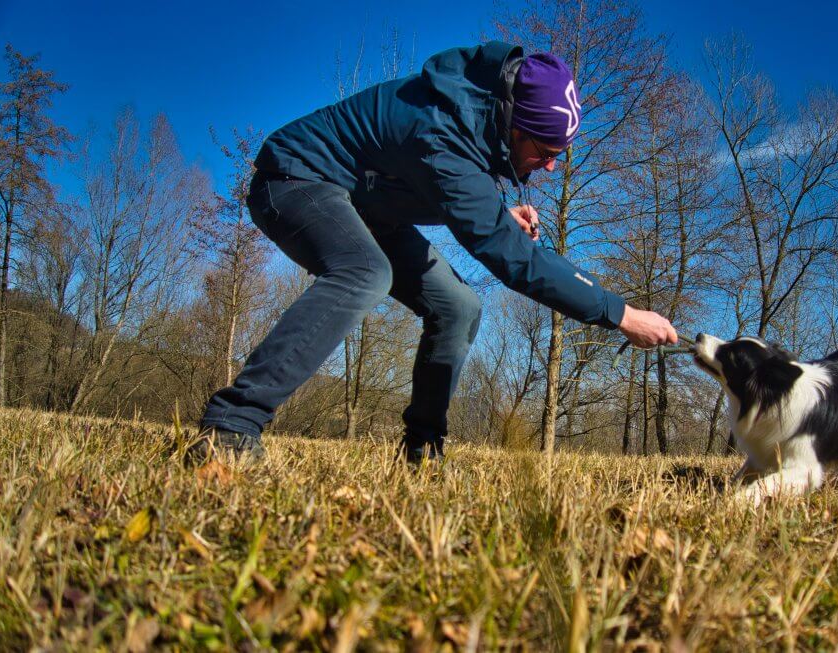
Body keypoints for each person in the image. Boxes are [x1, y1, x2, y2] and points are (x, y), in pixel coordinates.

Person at [189, 41, 678, 465]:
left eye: (561, 153)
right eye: (546, 149)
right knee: (365, 272)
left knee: (459, 306)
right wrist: (621, 314)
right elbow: (514, 259)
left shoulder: (480, 120)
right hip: (294, 180)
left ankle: (423, 452)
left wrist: (498, 213)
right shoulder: (443, 131)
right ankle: (230, 427)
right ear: (514, 122)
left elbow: (444, 187)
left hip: (367, 206)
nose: (551, 166)